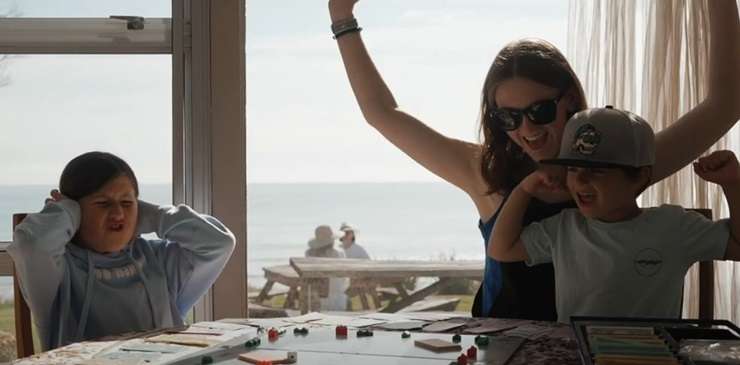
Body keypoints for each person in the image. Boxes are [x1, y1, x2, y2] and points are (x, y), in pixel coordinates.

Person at [327, 0, 739, 319]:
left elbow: (726, 104)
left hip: (595, 350)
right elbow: (382, 114)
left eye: (539, 111)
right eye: (507, 117)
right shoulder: (483, 171)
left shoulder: (618, 161)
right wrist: (341, 17)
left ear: (570, 101)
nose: (526, 129)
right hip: (500, 349)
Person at [488, 107, 740, 322]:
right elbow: (501, 249)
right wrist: (524, 189)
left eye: (598, 170)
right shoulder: (564, 228)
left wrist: (733, 183)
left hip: (650, 357)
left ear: (639, 178)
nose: (580, 180)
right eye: (573, 168)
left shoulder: (673, 226)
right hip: (578, 355)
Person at [8, 151, 236, 350]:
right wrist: (65, 210)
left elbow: (219, 243)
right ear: (74, 212)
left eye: (127, 203)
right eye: (103, 203)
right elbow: (32, 245)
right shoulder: (57, 272)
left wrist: (154, 216)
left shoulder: (157, 260)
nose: (118, 214)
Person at [304, 225, 348, 310]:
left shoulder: (308, 253)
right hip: (336, 299)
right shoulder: (338, 254)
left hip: (313, 298)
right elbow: (344, 278)